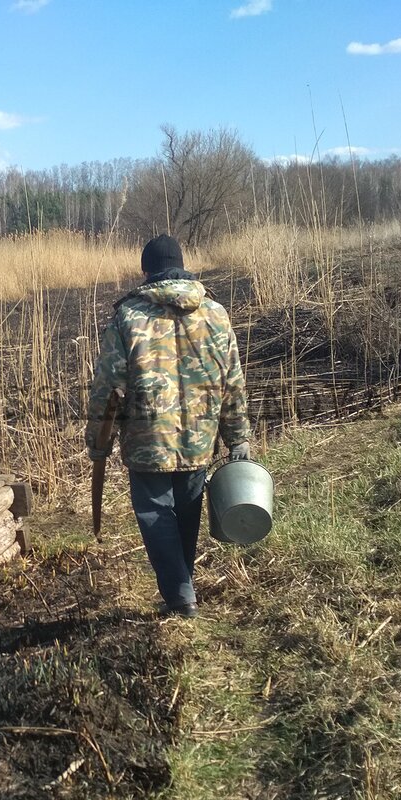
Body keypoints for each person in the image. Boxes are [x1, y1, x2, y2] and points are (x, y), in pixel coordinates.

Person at [85, 234, 251, 619]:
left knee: (156, 513)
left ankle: (179, 596)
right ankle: (183, 587)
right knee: (187, 509)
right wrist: (237, 436)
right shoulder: (215, 313)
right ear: (181, 265)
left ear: (146, 271)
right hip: (199, 436)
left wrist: (97, 442)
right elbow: (233, 382)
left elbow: (107, 387)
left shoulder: (129, 316)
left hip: (148, 439)